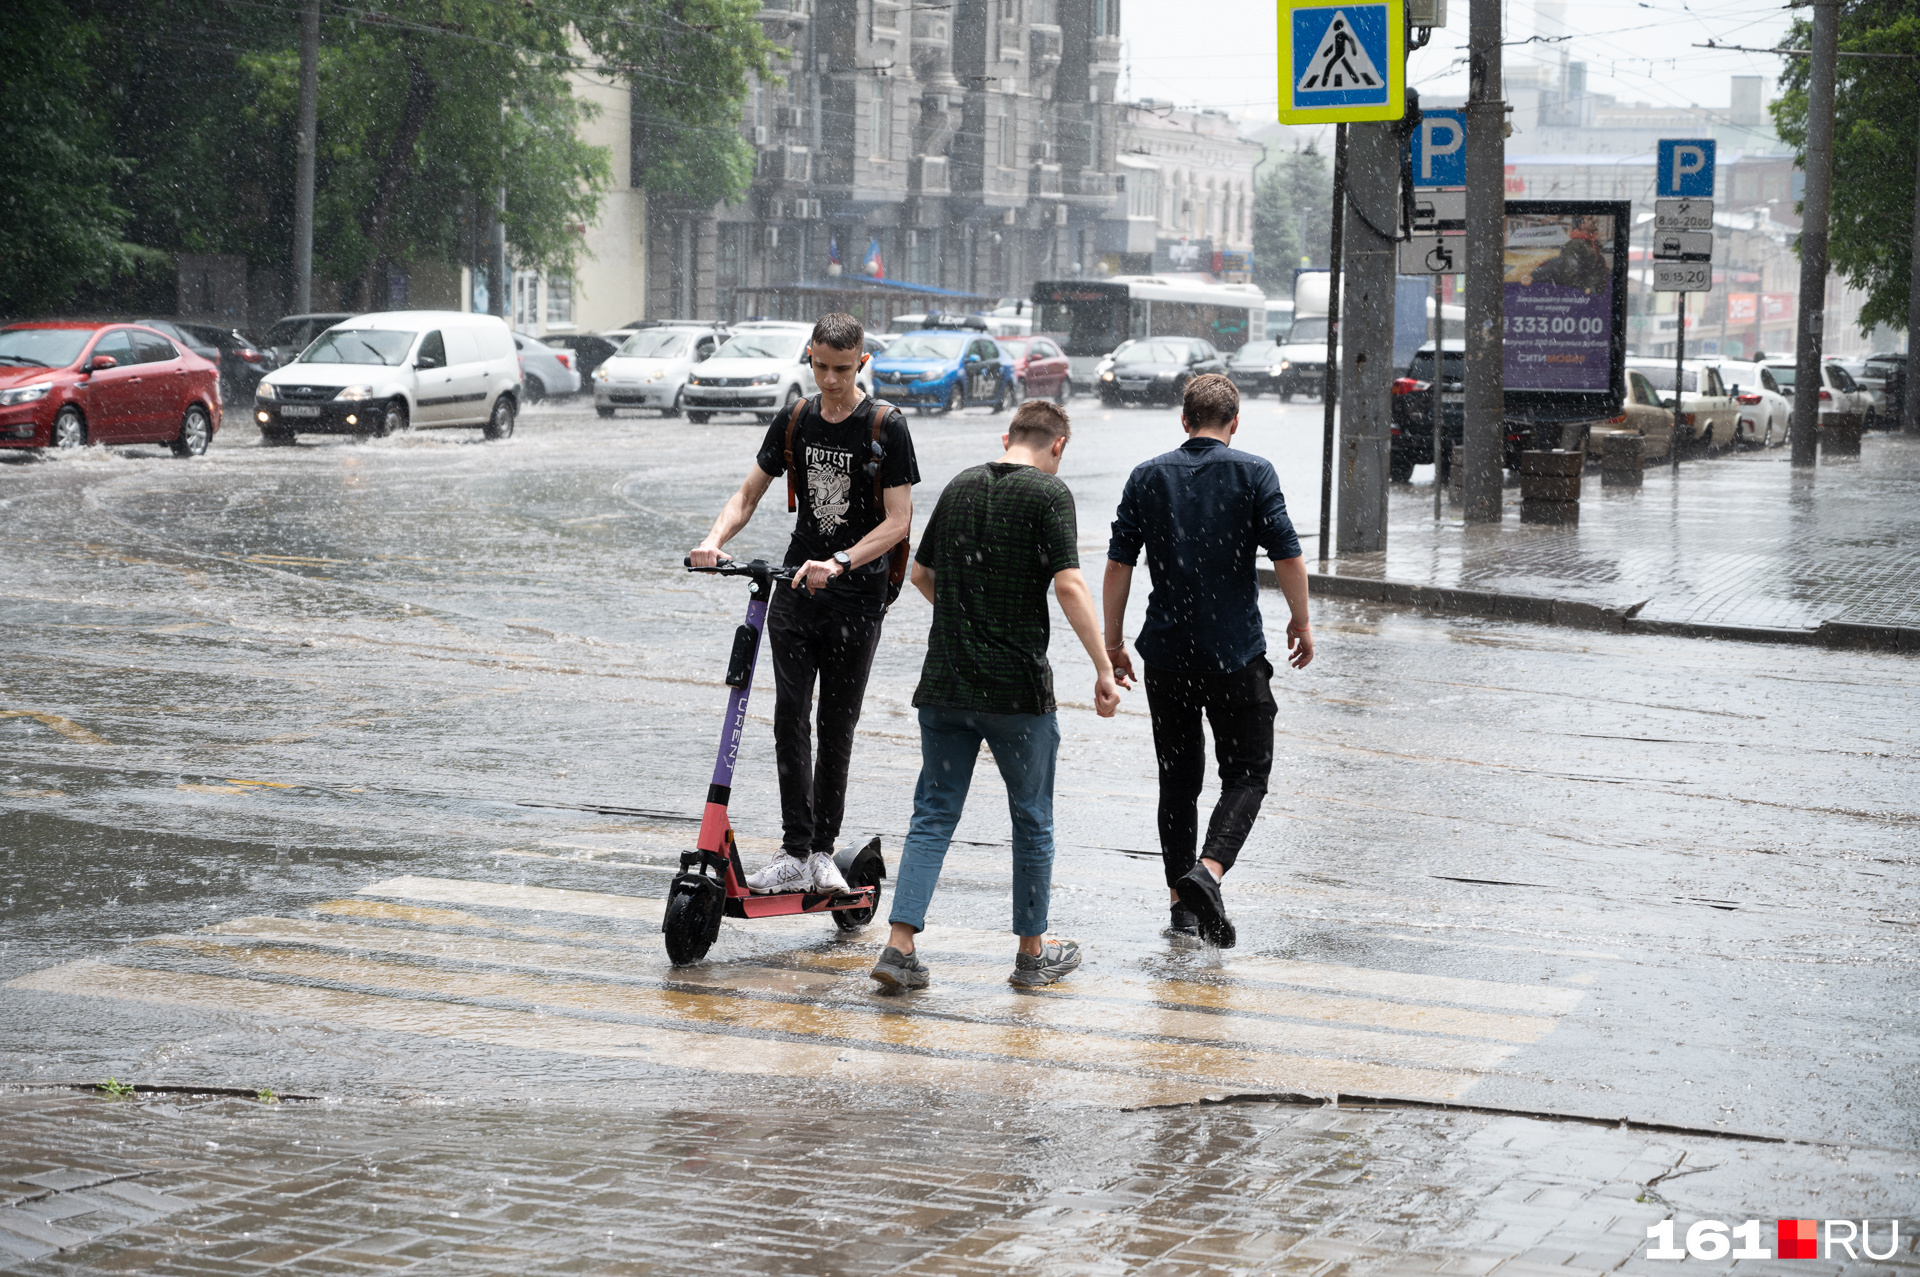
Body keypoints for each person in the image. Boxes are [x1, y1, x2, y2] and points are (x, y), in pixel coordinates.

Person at [869, 401, 1122, 992]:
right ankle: (1031, 955)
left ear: (1006, 436)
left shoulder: (958, 487)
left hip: (946, 684)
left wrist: (968, 617)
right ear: (1057, 446)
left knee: (932, 814)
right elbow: (1069, 584)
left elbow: (921, 576)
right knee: (1032, 818)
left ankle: (899, 946)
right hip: (1016, 693)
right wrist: (1104, 667)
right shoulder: (1048, 496)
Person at [689, 313, 919, 894]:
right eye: (821, 367)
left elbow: (898, 523)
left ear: (861, 362)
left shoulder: (886, 428)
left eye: (843, 369)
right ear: (809, 357)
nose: (832, 380)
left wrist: (841, 561)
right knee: (789, 718)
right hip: (795, 589)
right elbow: (748, 493)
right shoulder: (795, 419)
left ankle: (822, 850)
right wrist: (714, 541)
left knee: (834, 725)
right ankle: (794, 850)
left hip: (856, 600)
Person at [1102, 373, 1312, 949]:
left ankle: (1181, 906)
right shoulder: (1253, 472)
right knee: (1247, 771)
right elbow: (1288, 554)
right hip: (1234, 654)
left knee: (1178, 780)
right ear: (1234, 423)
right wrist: (1301, 620)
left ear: (1184, 420)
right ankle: (1208, 871)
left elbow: (1119, 564)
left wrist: (1113, 641)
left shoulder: (1148, 475)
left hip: (1167, 655)